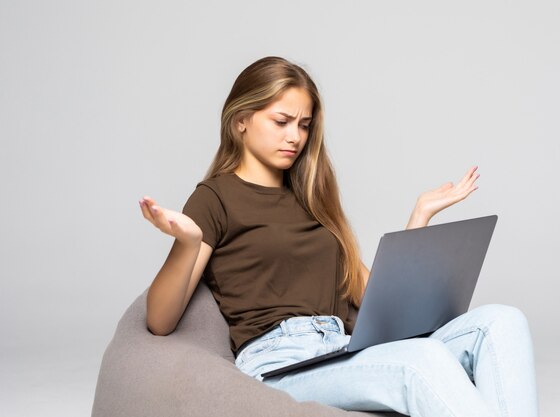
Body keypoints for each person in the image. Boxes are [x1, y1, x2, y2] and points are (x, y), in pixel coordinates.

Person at [138, 56, 539, 417]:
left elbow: (380, 303)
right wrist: (187, 245)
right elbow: (159, 321)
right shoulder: (214, 198)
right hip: (280, 364)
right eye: (281, 122)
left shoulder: (313, 199)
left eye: (304, 125)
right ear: (240, 119)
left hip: (339, 350)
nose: (295, 137)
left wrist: (419, 218)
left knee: (502, 322)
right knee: (421, 360)